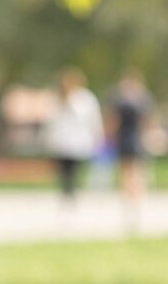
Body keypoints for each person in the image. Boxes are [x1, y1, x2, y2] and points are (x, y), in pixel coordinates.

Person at [43, 67, 103, 202]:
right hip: (61, 142)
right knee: (64, 171)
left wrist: (97, 136)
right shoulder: (56, 97)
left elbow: (92, 119)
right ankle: (66, 194)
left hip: (78, 142)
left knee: (74, 170)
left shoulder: (85, 98)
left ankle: (72, 193)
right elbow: (51, 121)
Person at [108, 68, 153, 212]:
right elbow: (145, 121)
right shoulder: (141, 100)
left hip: (125, 137)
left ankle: (129, 197)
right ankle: (135, 197)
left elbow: (113, 121)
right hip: (135, 137)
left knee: (127, 169)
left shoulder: (120, 100)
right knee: (136, 169)